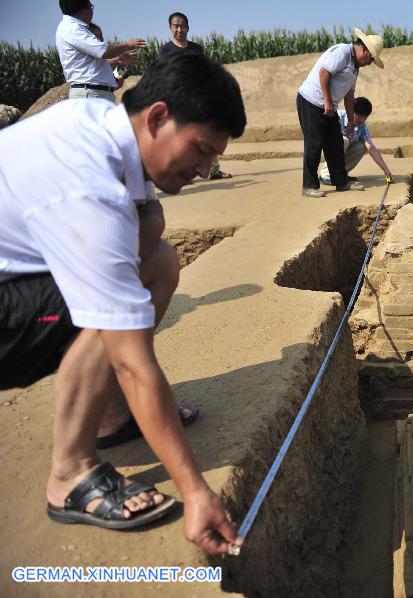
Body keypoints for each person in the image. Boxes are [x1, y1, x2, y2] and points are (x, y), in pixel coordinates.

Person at [0, 53, 247, 554]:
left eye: (212, 158)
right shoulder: (89, 185)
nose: (203, 170)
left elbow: (147, 229)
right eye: (199, 150)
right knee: (108, 307)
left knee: (158, 260)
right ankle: (70, 474)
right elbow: (132, 361)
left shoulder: (96, 122)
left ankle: (110, 417)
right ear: (157, 116)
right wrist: (195, 491)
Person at [296, 27, 384, 198]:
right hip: (311, 101)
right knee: (314, 144)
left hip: (329, 107)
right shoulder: (343, 52)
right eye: (371, 59)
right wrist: (327, 101)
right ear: (364, 49)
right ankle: (309, 186)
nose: (369, 63)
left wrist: (351, 121)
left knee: (335, 143)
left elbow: (349, 95)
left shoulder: (355, 67)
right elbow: (324, 73)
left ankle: (341, 182)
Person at [156, 11, 233, 180]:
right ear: (170, 28)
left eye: (182, 26)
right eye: (176, 26)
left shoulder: (196, 49)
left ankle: (213, 171)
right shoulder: (166, 50)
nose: (179, 29)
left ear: (188, 28)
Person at [56, 0, 145, 102]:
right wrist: (128, 44)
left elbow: (94, 66)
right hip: (90, 95)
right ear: (84, 9)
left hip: (96, 94)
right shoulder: (72, 29)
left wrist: (118, 61)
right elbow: (104, 51)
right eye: (90, 6)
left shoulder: (72, 27)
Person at [319, 97, 392, 185]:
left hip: (338, 152)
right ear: (351, 111)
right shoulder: (337, 116)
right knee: (344, 140)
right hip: (322, 151)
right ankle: (326, 176)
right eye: (360, 116)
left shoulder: (362, 125)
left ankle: (341, 174)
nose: (362, 120)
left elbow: (371, 148)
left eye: (365, 117)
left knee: (362, 146)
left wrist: (385, 169)